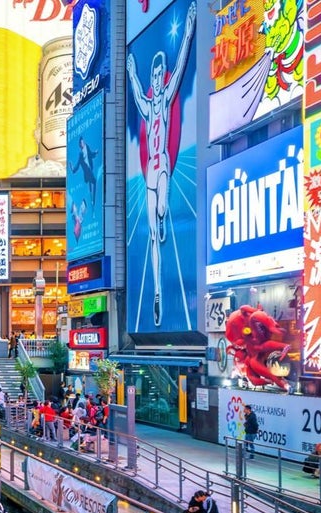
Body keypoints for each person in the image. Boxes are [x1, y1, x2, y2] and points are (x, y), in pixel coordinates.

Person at [125, 0, 195, 326]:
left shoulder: (165, 100)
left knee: (163, 212)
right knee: (152, 235)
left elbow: (180, 67)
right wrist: (130, 72)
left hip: (162, 163)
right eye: (152, 75)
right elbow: (137, 92)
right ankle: (156, 293)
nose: (156, 79)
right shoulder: (147, 103)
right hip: (150, 170)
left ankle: (164, 214)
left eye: (157, 74)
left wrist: (190, 29)